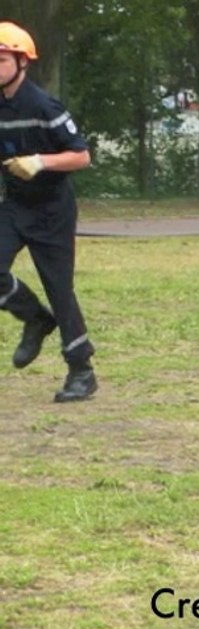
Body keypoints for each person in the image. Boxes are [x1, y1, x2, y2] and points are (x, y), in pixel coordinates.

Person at [0, 21, 97, 402]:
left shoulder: (43, 105)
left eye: (1, 58)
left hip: (52, 210)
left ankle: (81, 370)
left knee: (60, 289)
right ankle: (35, 319)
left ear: (22, 63)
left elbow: (82, 155)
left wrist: (40, 162)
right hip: (14, 205)